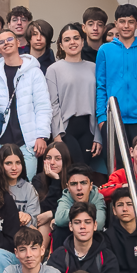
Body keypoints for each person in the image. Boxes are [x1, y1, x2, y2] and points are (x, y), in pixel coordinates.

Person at [0, 24, 51, 174]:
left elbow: (43, 107)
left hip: (27, 141)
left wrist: (41, 135)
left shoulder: (34, 72)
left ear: (18, 43)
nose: (6, 43)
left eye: (10, 39)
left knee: (25, 186)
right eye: (1, 42)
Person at [95, 2, 137, 132]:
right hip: (113, 119)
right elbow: (100, 86)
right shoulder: (105, 50)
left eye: (130, 22)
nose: (126, 26)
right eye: (122, 21)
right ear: (116, 23)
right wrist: (102, 118)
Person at [45, 22, 99, 166]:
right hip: (66, 129)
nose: (72, 42)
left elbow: (99, 104)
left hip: (89, 128)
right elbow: (52, 105)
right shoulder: (54, 69)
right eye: (67, 40)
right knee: (76, 168)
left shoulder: (94, 68)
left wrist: (98, 137)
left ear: (83, 41)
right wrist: (57, 136)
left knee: (85, 171)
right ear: (61, 45)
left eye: (76, 38)